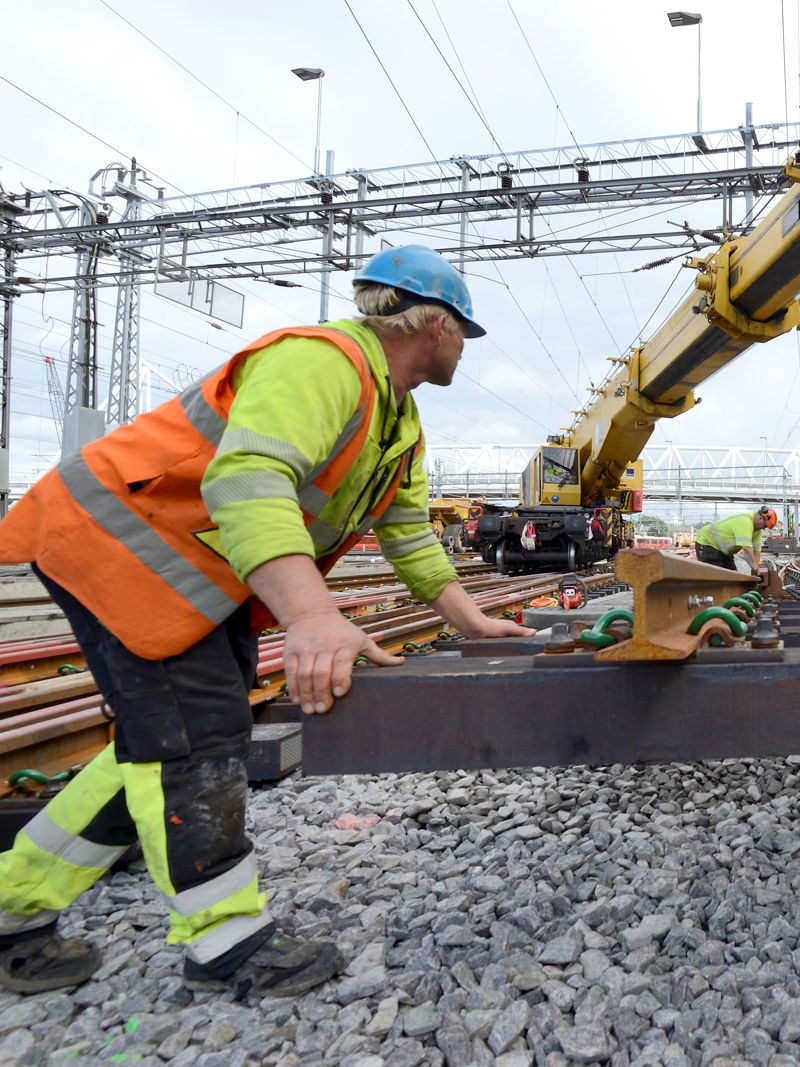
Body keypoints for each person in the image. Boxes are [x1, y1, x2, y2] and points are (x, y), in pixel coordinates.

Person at [0, 246, 531, 999]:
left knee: (157, 743)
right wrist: (312, 616)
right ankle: (226, 942)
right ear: (437, 326)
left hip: (186, 574)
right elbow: (248, 477)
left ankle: (13, 908)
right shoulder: (323, 363)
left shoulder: (397, 419)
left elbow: (408, 531)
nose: (462, 349)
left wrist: (470, 617)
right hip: (111, 544)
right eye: (463, 334)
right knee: (197, 733)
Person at [694, 506, 777, 571]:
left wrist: (756, 567)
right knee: (714, 577)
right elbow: (747, 549)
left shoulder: (757, 530)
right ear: (760, 518)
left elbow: (757, 550)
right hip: (707, 544)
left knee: (732, 575)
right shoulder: (745, 522)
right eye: (764, 526)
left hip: (723, 551)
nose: (763, 528)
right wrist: (754, 568)